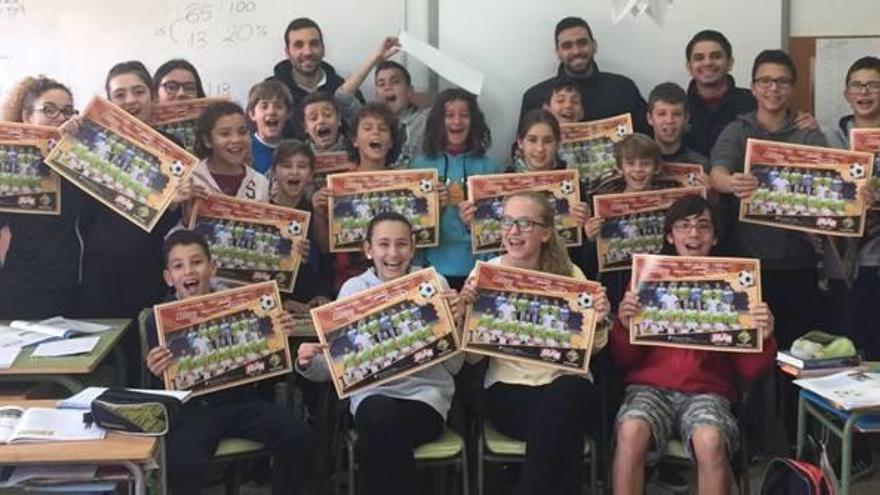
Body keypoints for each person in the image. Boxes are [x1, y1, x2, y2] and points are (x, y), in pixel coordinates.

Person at [611, 194, 777, 495]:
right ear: (669, 235)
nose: (693, 234)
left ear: (714, 238)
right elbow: (623, 360)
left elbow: (750, 371)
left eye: (703, 226)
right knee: (631, 430)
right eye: (684, 226)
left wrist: (763, 337)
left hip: (708, 391)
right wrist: (623, 325)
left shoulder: (735, 286)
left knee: (710, 439)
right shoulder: (645, 281)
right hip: (649, 388)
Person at [296, 212, 464, 495]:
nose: (393, 253)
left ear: (412, 247)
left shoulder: (435, 284)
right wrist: (306, 362)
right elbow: (338, 368)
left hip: (425, 398)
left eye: (401, 244)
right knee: (377, 411)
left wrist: (455, 324)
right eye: (383, 244)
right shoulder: (353, 290)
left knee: (372, 441)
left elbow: (455, 368)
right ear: (368, 249)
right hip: (370, 399)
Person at [459, 191, 611, 495]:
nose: (513, 231)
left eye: (525, 224)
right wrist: (465, 316)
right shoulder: (485, 274)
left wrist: (601, 319)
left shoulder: (570, 274)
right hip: (509, 390)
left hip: (564, 385)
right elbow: (472, 361)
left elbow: (589, 351)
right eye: (507, 222)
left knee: (568, 389)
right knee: (564, 436)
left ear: (545, 233)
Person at [143, 229, 312, 494]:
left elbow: (270, 366)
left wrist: (278, 334)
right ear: (168, 278)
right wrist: (155, 367)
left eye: (196, 262)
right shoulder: (159, 318)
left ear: (212, 267)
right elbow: (162, 381)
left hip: (243, 403)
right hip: (194, 410)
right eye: (178, 266)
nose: (189, 271)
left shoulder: (245, 303)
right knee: (182, 462)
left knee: (297, 435)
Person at [708, 49, 827, 349]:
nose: (773, 88)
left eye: (782, 81)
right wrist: (731, 182)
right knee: (752, 352)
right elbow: (716, 173)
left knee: (799, 350)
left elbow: (829, 187)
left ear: (793, 87)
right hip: (749, 263)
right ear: (753, 87)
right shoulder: (738, 129)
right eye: (765, 81)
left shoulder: (808, 133)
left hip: (799, 262)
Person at [78, 61, 186, 318]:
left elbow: (170, 221)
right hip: (100, 273)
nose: (130, 100)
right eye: (120, 94)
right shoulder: (88, 145)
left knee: (148, 349)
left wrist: (173, 203)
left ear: (152, 96)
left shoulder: (172, 147)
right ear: (109, 102)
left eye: (138, 91)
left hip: (150, 268)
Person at [0, 76, 86, 318]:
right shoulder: (10, 163)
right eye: (49, 110)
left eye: (68, 111)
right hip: (23, 291)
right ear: (28, 117)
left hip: (76, 290)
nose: (61, 117)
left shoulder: (82, 165)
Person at [412, 88, 499, 289]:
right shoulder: (420, 166)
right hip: (432, 266)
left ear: (474, 121)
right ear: (438, 122)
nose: (457, 121)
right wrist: (434, 210)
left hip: (478, 267)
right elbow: (411, 225)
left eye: (464, 115)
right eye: (449, 115)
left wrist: (474, 224)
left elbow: (498, 227)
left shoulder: (489, 166)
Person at [683, 30, 815, 158]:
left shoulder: (756, 101)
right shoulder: (677, 109)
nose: (707, 63)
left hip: (742, 178)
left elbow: (784, 125)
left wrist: (806, 123)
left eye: (716, 56)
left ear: (730, 63)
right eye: (699, 58)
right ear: (689, 67)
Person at [584, 133, 681, 308]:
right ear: (620, 168)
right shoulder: (603, 205)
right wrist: (590, 238)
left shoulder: (672, 203)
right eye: (630, 163)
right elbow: (592, 263)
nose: (637, 170)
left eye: (645, 164)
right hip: (616, 284)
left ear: (657, 168)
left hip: (659, 281)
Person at [825, 56, 880, 361]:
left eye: (873, 85)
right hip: (840, 263)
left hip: (877, 259)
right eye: (857, 85)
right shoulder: (829, 139)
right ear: (846, 93)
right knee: (845, 352)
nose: (865, 92)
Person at [519, 16, 648, 133]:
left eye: (582, 43)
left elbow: (648, 137)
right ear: (558, 52)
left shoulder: (623, 88)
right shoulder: (535, 97)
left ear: (594, 45)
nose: (576, 51)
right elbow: (520, 150)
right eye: (567, 46)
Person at [268, 17, 364, 139]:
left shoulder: (345, 90)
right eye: (299, 45)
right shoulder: (270, 92)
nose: (307, 52)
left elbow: (363, 134)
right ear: (287, 52)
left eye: (314, 44)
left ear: (323, 49)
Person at [269, 139, 332, 310]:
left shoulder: (315, 214)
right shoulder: (262, 215)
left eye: (302, 166)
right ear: (274, 172)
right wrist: (282, 302)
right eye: (287, 166)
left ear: (311, 174)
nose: (294, 172)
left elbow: (326, 259)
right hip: (275, 305)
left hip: (311, 304)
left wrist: (322, 295)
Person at [191, 101, 270, 201]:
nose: (236, 140)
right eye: (225, 134)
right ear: (207, 140)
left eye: (242, 132)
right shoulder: (191, 178)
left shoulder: (260, 183)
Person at [647, 82, 708, 168]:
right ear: (649, 118)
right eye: (661, 114)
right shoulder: (635, 164)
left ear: (686, 118)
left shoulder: (699, 165)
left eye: (676, 114)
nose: (669, 120)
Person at [247, 80, 293, 174]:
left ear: (288, 113)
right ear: (252, 114)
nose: (271, 112)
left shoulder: (295, 150)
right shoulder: (244, 149)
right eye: (264, 107)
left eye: (279, 106)